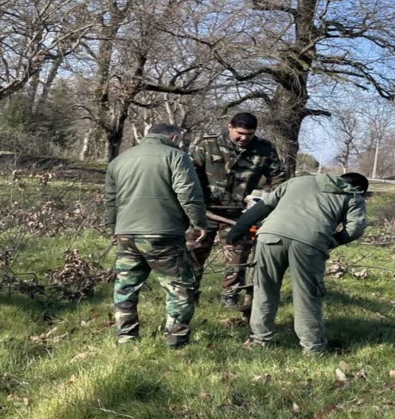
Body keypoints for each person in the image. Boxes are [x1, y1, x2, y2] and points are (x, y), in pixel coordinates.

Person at [226, 172, 369, 353]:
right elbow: (355, 228)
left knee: (265, 288)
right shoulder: (353, 196)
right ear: (359, 188)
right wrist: (332, 241)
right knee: (307, 294)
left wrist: (239, 228)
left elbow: (263, 206)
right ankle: (313, 347)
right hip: (309, 242)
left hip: (270, 235)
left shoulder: (297, 181)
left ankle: (259, 339)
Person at [105, 124, 208, 348]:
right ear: (173, 137)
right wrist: (199, 224)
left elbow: (111, 201)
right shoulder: (177, 156)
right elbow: (189, 194)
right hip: (163, 233)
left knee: (125, 287)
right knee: (179, 287)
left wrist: (114, 227)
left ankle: (126, 337)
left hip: (126, 233)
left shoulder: (119, 160)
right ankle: (176, 341)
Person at [188, 112, 286, 308]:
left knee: (238, 257)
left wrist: (265, 203)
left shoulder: (264, 149)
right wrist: (194, 202)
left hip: (239, 214)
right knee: (193, 252)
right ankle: (189, 294)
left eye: (249, 134)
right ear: (229, 127)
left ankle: (230, 296)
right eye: (240, 133)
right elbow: (189, 174)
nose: (244, 138)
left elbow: (279, 179)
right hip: (204, 211)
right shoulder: (207, 145)